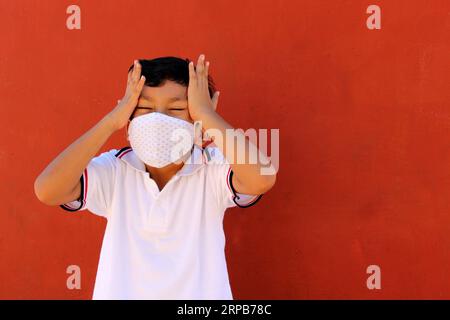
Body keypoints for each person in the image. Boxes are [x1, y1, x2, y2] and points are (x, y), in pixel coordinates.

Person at [34, 54, 277, 299]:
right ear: (128, 116)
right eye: (145, 108)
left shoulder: (212, 167)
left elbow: (262, 178)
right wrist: (110, 121)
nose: (159, 119)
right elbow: (48, 190)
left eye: (177, 109)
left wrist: (207, 116)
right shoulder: (115, 169)